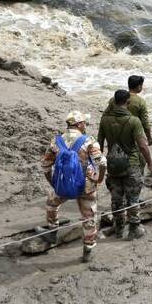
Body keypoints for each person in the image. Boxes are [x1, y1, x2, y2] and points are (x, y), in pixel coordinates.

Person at [41, 111, 105, 262]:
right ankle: (88, 250)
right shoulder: (88, 140)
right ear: (79, 124)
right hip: (86, 185)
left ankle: (52, 231)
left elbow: (45, 166)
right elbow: (102, 162)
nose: (86, 125)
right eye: (84, 123)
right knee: (89, 216)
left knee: (51, 203)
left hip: (63, 183)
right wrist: (99, 179)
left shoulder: (56, 141)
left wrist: (53, 183)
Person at [99, 89, 152, 240]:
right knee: (133, 199)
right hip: (131, 164)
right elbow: (143, 146)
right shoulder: (133, 121)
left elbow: (99, 144)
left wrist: (98, 164)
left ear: (113, 102)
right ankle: (134, 229)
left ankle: (118, 229)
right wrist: (150, 163)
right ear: (128, 102)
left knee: (116, 199)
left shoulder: (104, 120)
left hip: (113, 164)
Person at [103, 75, 152, 145]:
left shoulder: (115, 98)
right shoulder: (141, 102)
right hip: (133, 132)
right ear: (139, 86)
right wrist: (149, 138)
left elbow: (106, 113)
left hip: (116, 131)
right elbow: (145, 122)